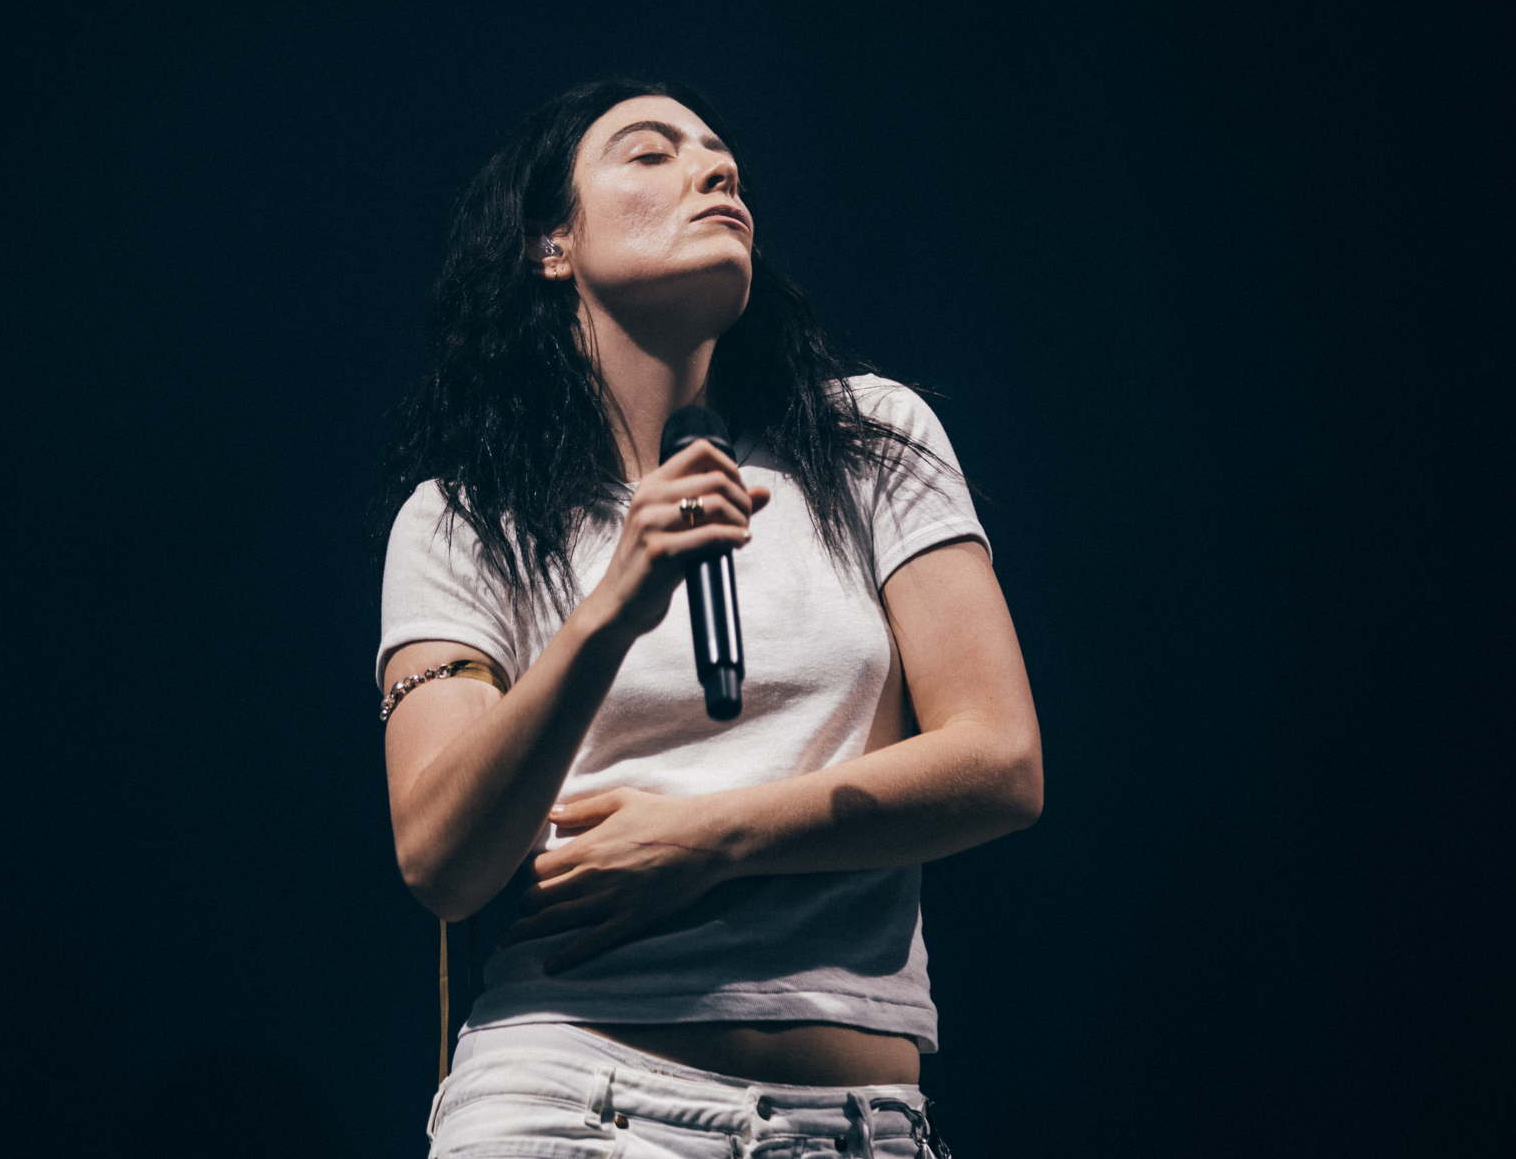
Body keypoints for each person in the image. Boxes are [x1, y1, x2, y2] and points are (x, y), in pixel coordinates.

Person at [376, 79, 1043, 1158]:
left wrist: (706, 839)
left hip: (854, 1126)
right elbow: (442, 861)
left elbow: (1001, 762)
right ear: (551, 245)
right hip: (568, 1103)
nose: (715, 169)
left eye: (719, 154)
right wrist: (608, 613)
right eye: (651, 153)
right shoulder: (464, 518)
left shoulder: (869, 438)